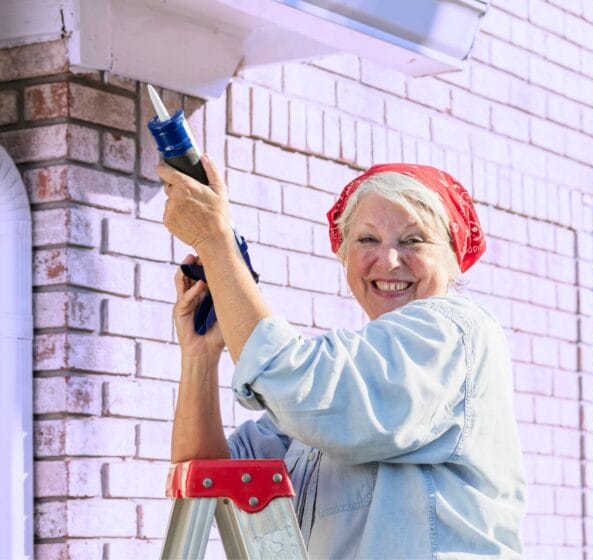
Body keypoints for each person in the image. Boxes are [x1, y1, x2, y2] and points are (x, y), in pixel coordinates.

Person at [158, 156, 526, 558]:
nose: (388, 261)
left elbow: (301, 387)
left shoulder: (452, 333)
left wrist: (216, 242)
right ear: (345, 255)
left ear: (455, 257)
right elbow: (213, 478)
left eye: (414, 240)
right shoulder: (343, 379)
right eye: (367, 240)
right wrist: (201, 356)